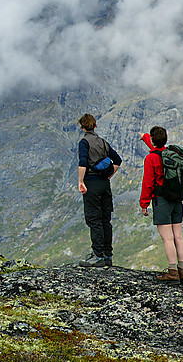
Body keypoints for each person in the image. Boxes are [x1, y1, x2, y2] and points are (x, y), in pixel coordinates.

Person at [139, 126, 183, 281]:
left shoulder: (151, 158)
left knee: (168, 239)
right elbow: (157, 147)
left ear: (153, 140)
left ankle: (172, 272)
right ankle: (182, 270)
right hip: (177, 200)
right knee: (178, 237)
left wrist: (144, 203)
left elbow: (148, 183)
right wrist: (145, 137)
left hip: (162, 201)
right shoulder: (171, 154)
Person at [77, 113, 123, 268]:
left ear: (82, 127)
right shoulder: (103, 142)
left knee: (94, 219)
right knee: (105, 220)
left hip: (91, 183)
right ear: (95, 125)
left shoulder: (84, 142)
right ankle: (107, 255)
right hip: (104, 184)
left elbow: (83, 163)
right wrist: (109, 175)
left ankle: (97, 255)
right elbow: (117, 160)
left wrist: (81, 181)